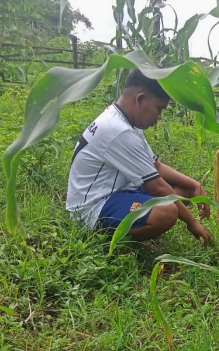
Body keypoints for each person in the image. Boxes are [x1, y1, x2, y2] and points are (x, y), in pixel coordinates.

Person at [66, 69, 211, 243]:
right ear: (140, 99)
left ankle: (130, 227)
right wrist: (192, 222)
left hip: (120, 191)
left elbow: (156, 166)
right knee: (167, 212)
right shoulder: (118, 131)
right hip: (94, 207)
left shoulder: (125, 122)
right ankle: (109, 239)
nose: (159, 117)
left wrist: (195, 185)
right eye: (159, 108)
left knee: (184, 190)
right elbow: (156, 187)